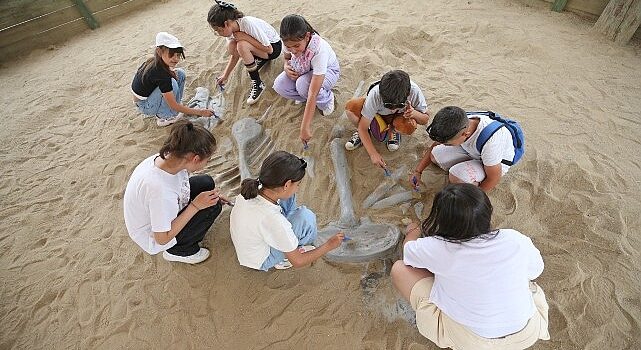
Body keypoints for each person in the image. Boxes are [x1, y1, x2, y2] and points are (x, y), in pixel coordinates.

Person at [391, 184, 550, 349]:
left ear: (442, 220)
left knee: (399, 269)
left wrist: (412, 232)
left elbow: (408, 253)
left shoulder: (438, 247)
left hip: (474, 343)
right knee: (527, 285)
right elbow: (536, 270)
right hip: (526, 333)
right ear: (487, 211)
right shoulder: (515, 239)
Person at [123, 120, 228, 264]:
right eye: (207, 160)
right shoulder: (160, 191)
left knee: (206, 183)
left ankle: (185, 236)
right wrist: (195, 206)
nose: (207, 164)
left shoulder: (168, 156)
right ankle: (179, 251)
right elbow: (161, 238)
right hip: (154, 236)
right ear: (195, 158)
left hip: (159, 210)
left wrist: (209, 197)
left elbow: (178, 186)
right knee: (212, 208)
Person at [229, 151, 344, 271]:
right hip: (260, 259)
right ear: (287, 184)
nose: (298, 188)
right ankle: (283, 258)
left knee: (289, 197)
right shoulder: (275, 221)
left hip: (249, 246)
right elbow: (298, 261)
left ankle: (287, 243)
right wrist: (329, 245)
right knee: (306, 219)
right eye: (298, 184)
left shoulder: (253, 189)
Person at [411, 106, 518, 192]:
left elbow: (493, 178)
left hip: (495, 163)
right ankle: (465, 167)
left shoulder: (491, 142)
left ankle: (470, 180)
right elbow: (436, 144)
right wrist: (418, 171)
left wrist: (475, 198)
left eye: (448, 144)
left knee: (456, 176)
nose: (443, 145)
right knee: (435, 155)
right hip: (474, 151)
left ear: (465, 134)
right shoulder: (458, 123)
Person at [272, 14, 340, 145]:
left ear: (307, 36)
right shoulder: (289, 43)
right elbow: (286, 58)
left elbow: (313, 92)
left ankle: (327, 100)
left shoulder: (319, 50)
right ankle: (304, 98)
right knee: (279, 84)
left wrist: (305, 127)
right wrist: (286, 67)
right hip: (303, 69)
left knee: (303, 85)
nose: (293, 50)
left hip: (329, 71)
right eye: (289, 46)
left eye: (297, 46)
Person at [344, 70, 430, 170]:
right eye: (388, 105)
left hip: (399, 117)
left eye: (399, 105)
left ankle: (394, 131)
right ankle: (363, 135)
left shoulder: (414, 91)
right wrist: (373, 154)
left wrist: (413, 113)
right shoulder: (375, 94)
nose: (393, 108)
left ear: (407, 94)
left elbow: (425, 119)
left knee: (409, 125)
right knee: (351, 108)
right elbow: (363, 128)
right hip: (379, 116)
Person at [131, 32, 214, 127]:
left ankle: (172, 110)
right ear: (159, 51)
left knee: (180, 73)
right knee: (172, 83)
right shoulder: (160, 73)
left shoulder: (157, 61)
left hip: (148, 97)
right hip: (144, 105)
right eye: (171, 54)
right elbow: (173, 105)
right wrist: (200, 112)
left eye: (178, 55)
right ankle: (164, 117)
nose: (176, 59)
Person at [207, 0, 282, 105]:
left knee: (242, 45)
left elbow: (269, 49)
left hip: (274, 47)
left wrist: (245, 37)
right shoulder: (231, 31)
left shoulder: (246, 23)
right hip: (262, 50)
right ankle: (260, 60)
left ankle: (258, 83)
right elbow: (234, 56)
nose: (219, 33)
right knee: (232, 46)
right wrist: (225, 75)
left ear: (226, 23)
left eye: (219, 30)